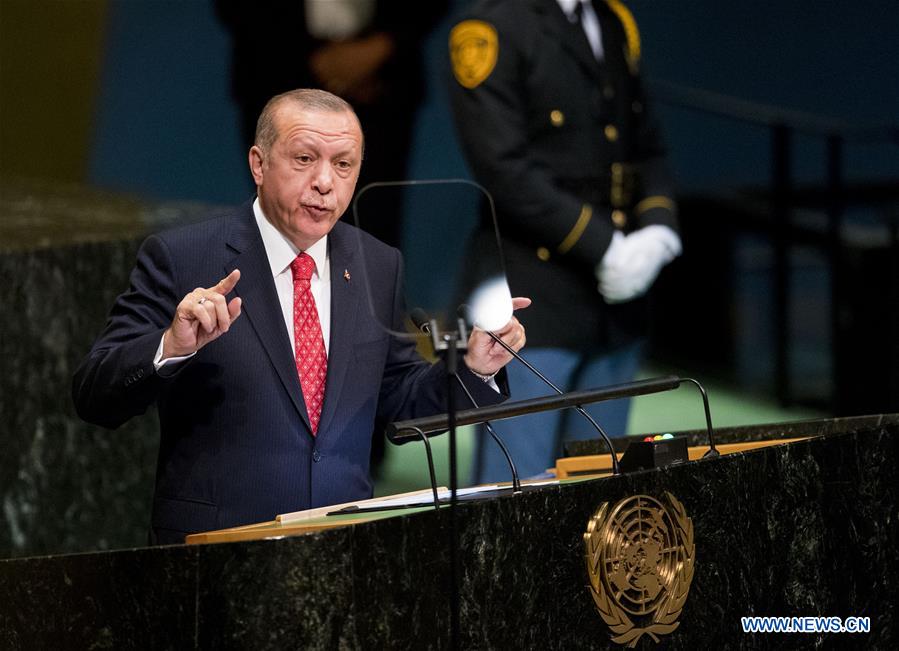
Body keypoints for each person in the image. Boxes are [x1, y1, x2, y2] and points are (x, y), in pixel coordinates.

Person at [73, 89, 528, 544]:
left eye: (343, 164)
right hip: (217, 551)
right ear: (259, 163)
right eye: (305, 158)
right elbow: (94, 394)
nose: (325, 182)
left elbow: (399, 397)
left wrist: (472, 369)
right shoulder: (184, 256)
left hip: (345, 548)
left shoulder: (376, 263)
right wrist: (170, 348)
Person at [447, 0, 681, 484]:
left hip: (614, 308)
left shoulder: (612, 19)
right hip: (530, 298)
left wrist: (658, 229)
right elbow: (504, 170)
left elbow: (645, 143)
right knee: (514, 493)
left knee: (602, 491)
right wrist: (607, 248)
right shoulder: (490, 27)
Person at [214, 0, 448, 248]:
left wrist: (381, 47)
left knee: (372, 232)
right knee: (285, 227)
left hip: (382, 90)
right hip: (274, 72)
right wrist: (317, 63)